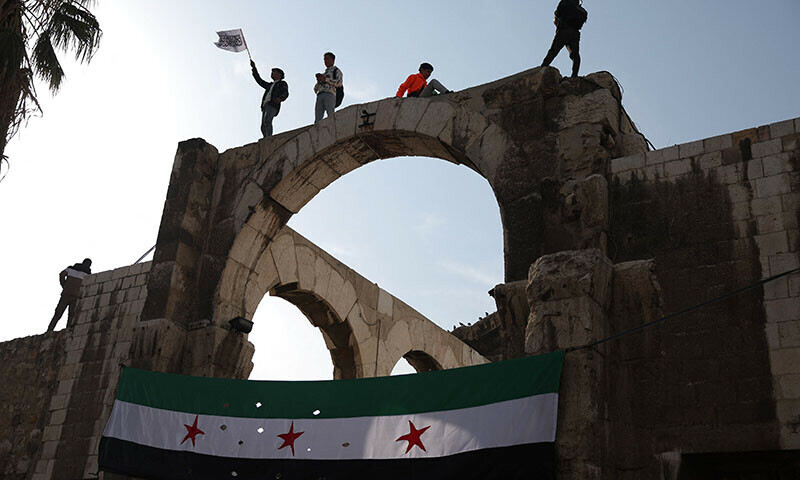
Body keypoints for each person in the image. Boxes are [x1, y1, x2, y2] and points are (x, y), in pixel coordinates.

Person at [541, 0, 587, 78]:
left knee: (553, 50)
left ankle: (542, 68)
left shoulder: (565, 2)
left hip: (564, 30)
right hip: (575, 33)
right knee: (575, 54)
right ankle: (574, 75)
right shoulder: (582, 11)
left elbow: (557, 13)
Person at [48, 258, 92, 332]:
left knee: (58, 313)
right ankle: (67, 330)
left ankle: (50, 330)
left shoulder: (71, 268)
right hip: (76, 296)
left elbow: (62, 274)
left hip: (66, 293)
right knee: (71, 315)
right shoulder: (87, 274)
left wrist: (64, 285)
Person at [250, 61, 289, 137]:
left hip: (273, 104)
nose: (272, 73)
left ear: (279, 74)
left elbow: (285, 92)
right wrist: (254, 68)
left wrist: (280, 98)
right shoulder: (270, 85)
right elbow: (259, 80)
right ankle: (266, 138)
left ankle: (269, 138)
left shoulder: (282, 83)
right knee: (263, 125)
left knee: (267, 120)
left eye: (274, 72)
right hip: (266, 105)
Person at [314, 52, 343, 123]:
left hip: (330, 94)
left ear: (333, 60)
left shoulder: (336, 71)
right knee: (318, 117)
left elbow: (339, 83)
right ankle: (317, 130)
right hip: (320, 94)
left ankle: (332, 128)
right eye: (324, 59)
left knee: (330, 114)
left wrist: (326, 80)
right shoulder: (324, 74)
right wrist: (319, 82)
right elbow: (315, 89)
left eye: (327, 59)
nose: (325, 61)